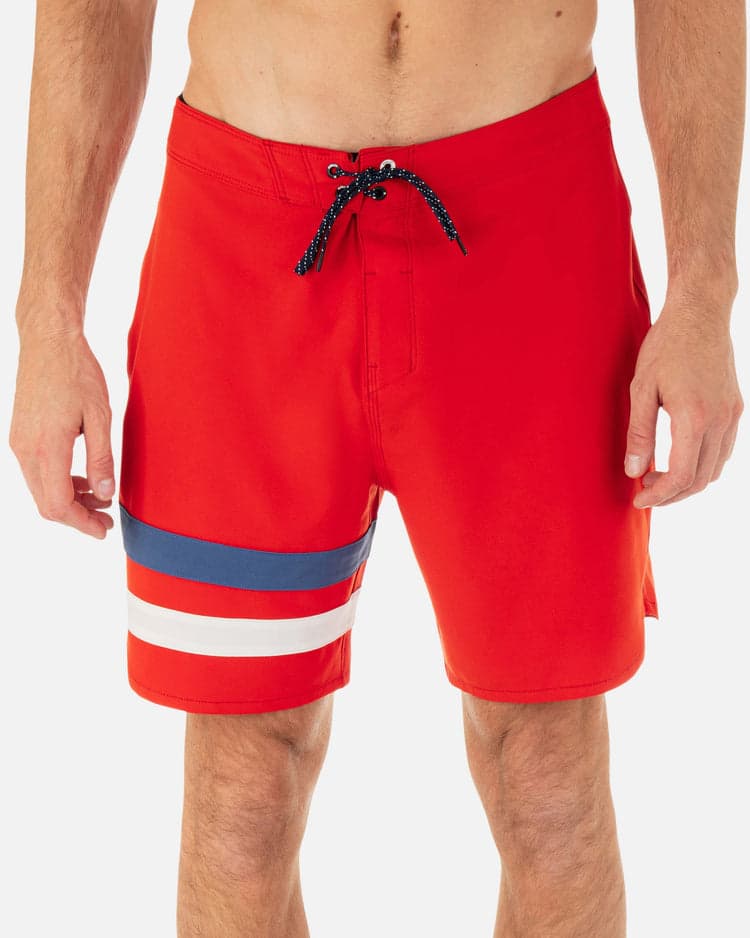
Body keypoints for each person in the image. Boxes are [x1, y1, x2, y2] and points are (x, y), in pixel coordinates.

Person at [9, 1, 745, 935]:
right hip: (244, 238)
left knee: (548, 782)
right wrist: (48, 317)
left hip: (531, 226)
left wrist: (703, 293)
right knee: (243, 795)